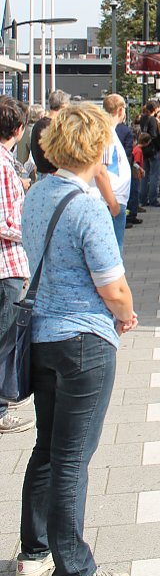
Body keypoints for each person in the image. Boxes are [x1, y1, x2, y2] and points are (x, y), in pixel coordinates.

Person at [16, 103, 135, 576]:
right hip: (83, 343)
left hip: (40, 336)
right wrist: (126, 315)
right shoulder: (87, 205)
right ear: (99, 146)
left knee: (47, 447)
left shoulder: (37, 194)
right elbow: (113, 285)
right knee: (72, 459)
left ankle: (33, 552)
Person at [0, 96, 34, 434]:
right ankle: (0, 410)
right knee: (4, 338)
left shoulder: (7, 162)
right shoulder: (2, 164)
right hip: (5, 266)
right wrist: (28, 228)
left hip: (8, 265)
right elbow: (2, 220)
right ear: (20, 129)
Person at [101, 95, 132, 251]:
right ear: (120, 111)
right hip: (111, 201)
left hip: (113, 200)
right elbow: (101, 171)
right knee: (113, 250)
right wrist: (113, 204)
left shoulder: (110, 132)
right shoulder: (106, 134)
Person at [30, 90, 71, 179]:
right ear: (63, 105)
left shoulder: (38, 125)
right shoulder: (56, 126)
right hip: (55, 175)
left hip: (41, 173)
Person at [139, 101, 160, 208]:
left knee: (145, 175)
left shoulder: (142, 119)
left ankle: (143, 199)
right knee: (155, 174)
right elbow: (154, 136)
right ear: (154, 110)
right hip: (153, 151)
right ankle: (153, 199)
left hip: (144, 150)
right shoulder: (153, 120)